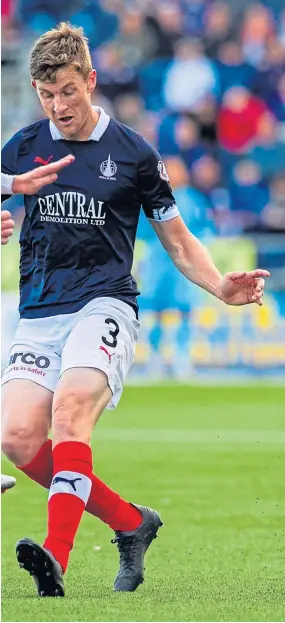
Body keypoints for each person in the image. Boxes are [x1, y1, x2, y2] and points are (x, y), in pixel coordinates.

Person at [1, 22, 269, 599]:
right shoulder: (20, 147)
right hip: (40, 312)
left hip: (106, 304)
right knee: (19, 439)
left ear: (91, 80)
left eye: (68, 91)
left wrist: (221, 286)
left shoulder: (133, 153)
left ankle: (57, 557)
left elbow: (175, 239)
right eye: (47, 95)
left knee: (70, 413)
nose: (58, 105)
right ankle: (130, 523)